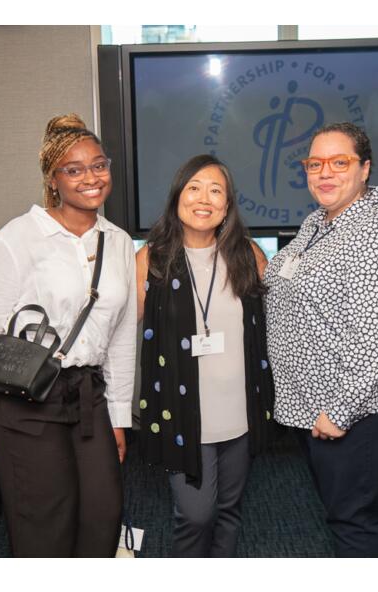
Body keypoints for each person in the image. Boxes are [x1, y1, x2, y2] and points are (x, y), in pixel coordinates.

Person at [0, 114, 136, 558]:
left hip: (89, 396)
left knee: (102, 516)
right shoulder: (20, 238)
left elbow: (121, 336)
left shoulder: (119, 241)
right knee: (44, 527)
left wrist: (118, 415)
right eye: (74, 170)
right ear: (53, 180)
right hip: (25, 400)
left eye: (99, 164)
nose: (91, 177)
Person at [264, 123, 378, 557]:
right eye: (315, 164)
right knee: (342, 513)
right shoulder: (317, 222)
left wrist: (339, 410)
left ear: (365, 168)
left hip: (359, 411)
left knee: (355, 522)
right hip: (318, 404)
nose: (324, 173)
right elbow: (281, 283)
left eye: (339, 162)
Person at [136, 154, 275, 557]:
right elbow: (119, 330)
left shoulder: (248, 255)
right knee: (195, 515)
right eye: (194, 187)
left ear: (228, 206)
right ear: (178, 197)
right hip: (181, 414)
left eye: (216, 191)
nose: (204, 198)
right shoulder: (152, 259)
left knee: (229, 510)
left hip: (239, 412)